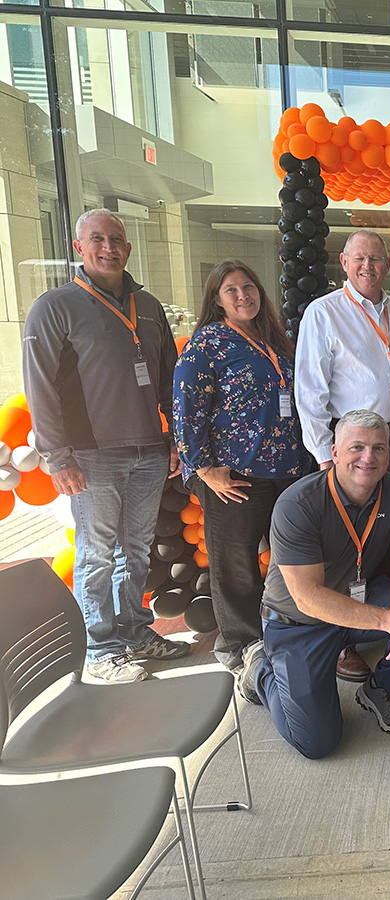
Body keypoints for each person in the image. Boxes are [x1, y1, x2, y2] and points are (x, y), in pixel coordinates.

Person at [23, 208, 188, 684]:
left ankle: (134, 633)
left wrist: (174, 440)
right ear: (79, 248)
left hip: (150, 450)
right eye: (97, 239)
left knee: (136, 549)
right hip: (91, 455)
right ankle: (98, 650)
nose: (108, 247)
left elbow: (166, 380)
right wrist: (57, 456)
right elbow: (41, 387)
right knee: (96, 553)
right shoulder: (54, 307)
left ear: (128, 248)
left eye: (116, 238)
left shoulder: (150, 306)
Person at [238, 410, 390, 760]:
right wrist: (387, 621)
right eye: (357, 447)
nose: (369, 457)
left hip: (357, 598)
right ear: (334, 452)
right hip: (299, 622)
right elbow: (307, 597)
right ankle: (260, 667)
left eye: (379, 448)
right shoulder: (298, 504)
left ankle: (381, 689)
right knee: (317, 744)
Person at [294, 229, 390, 682]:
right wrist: (325, 459)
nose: (368, 266)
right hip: (349, 444)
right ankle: (339, 641)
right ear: (344, 263)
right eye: (359, 258)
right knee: (342, 544)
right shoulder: (324, 313)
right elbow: (309, 392)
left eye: (376, 258)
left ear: (388, 263)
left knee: (388, 535)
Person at [173, 260, 304, 671]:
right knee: (237, 565)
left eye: (249, 286)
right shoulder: (208, 344)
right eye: (232, 290)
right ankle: (241, 645)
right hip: (235, 474)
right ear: (217, 299)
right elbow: (186, 407)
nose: (243, 295)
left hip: (287, 469)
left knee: (290, 559)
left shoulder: (274, 339)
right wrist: (204, 469)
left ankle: (285, 627)